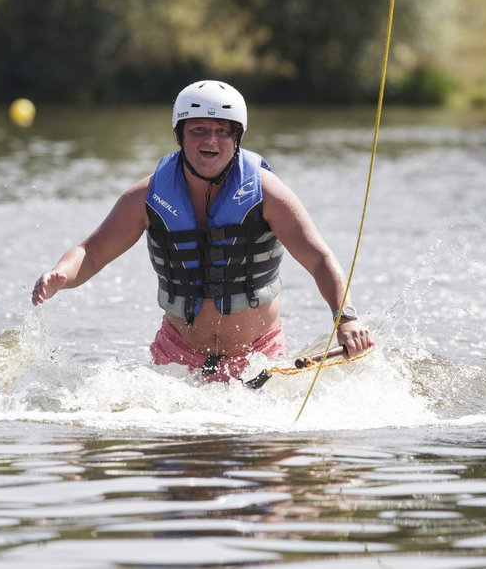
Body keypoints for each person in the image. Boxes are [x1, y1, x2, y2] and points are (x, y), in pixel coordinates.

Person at [31, 80, 372, 382]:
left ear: (236, 138)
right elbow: (91, 253)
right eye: (199, 130)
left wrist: (346, 318)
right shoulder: (146, 197)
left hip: (258, 357)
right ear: (179, 135)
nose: (211, 140)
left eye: (223, 130)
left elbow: (319, 258)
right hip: (176, 358)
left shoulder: (268, 193)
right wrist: (61, 273)